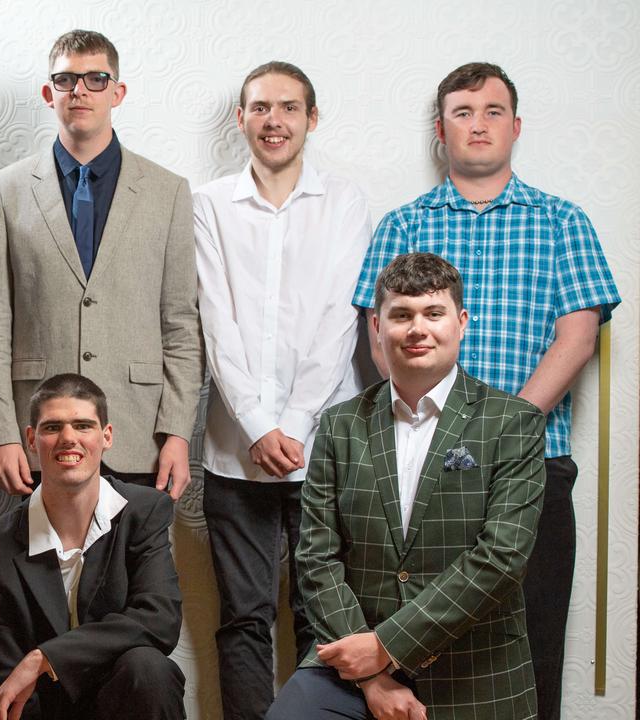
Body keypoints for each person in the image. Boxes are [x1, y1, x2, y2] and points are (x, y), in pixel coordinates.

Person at [350, 62, 620, 720]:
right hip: (419, 464)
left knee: (530, 646)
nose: (478, 124)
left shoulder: (562, 222)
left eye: (493, 111)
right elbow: (380, 338)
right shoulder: (402, 226)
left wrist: (497, 431)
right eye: (463, 112)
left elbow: (577, 338)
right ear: (441, 130)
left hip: (531, 462)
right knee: (421, 651)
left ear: (515, 127)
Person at [269, 253, 545, 720]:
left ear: (460, 323)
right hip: (352, 659)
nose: (417, 329)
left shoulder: (512, 422)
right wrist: (372, 675)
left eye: (433, 314)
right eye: (401, 315)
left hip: (474, 668)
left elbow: (502, 558)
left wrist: (388, 647)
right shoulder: (339, 425)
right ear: (377, 326)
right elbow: (316, 557)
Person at [192, 60, 371, 720]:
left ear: (311, 119)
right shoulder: (208, 203)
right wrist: (258, 425)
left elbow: (338, 320)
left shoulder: (345, 203)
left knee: (322, 618)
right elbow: (217, 321)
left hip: (321, 446)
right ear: (241, 118)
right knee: (242, 619)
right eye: (261, 107)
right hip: (233, 452)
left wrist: (292, 424)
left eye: (289, 108)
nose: (274, 120)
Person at [0, 29, 201, 499]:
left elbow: (180, 324)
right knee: (40, 568)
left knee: (132, 571)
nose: (79, 91)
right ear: (48, 92)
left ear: (117, 92)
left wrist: (177, 432)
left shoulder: (169, 191)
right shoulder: (5, 189)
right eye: (65, 79)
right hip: (38, 432)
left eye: (96, 79)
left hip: (138, 431)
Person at [0, 373, 185, 720]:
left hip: (122, 700)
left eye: (83, 426)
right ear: (31, 440)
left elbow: (158, 619)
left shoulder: (144, 513)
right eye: (52, 427)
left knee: (149, 668)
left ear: (106, 436)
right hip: (39, 713)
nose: (69, 439)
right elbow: (1, 682)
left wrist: (45, 657)